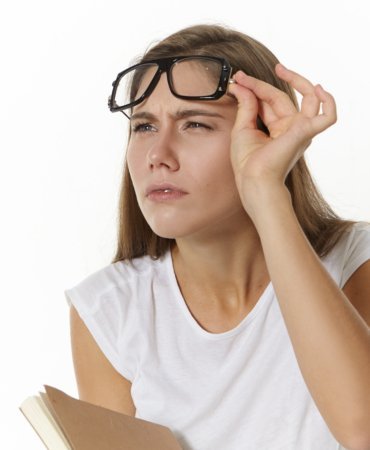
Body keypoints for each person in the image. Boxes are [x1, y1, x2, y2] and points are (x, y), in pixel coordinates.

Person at [65, 24, 370, 450]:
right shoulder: (110, 309)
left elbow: (363, 430)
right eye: (144, 127)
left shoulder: (355, 260)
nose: (158, 155)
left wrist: (265, 188)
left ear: (263, 135)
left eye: (194, 125)